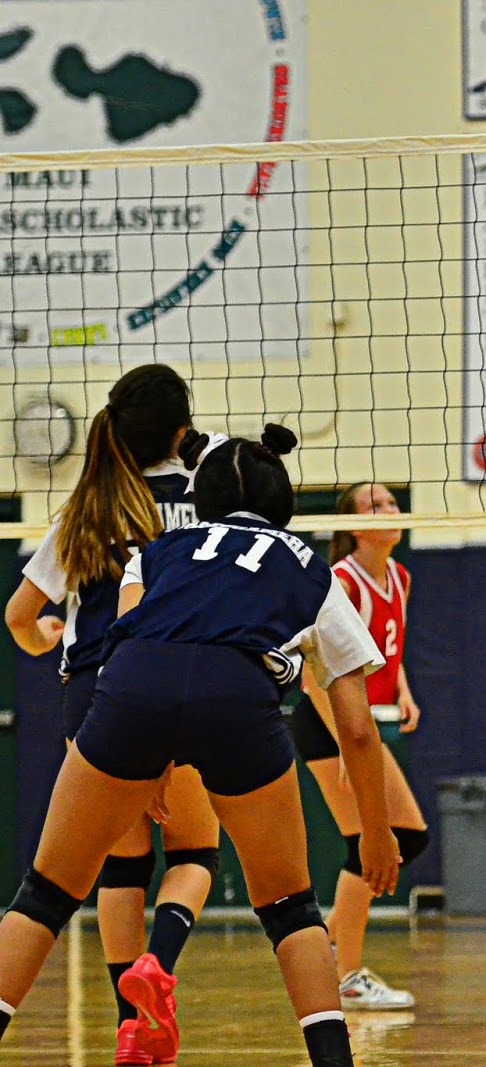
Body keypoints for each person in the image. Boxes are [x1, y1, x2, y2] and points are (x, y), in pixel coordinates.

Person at [0, 426, 401, 1067]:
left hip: (130, 691)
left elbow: (123, 644)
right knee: (291, 908)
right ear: (285, 501)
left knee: (46, 893)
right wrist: (376, 834)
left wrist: (147, 757)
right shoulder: (309, 568)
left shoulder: (158, 552)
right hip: (238, 700)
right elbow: (356, 726)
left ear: (202, 500)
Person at [4, 364, 226, 1065]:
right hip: (178, 680)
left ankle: (132, 1026)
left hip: (92, 694)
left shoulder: (89, 504)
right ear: (180, 432)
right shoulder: (210, 492)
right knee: (194, 853)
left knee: (120, 867)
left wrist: (43, 638)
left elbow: (18, 615)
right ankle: (157, 968)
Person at [292, 483, 429, 1010]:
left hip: (363, 725)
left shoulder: (400, 575)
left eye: (393, 503)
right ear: (352, 527)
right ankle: (342, 970)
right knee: (382, 840)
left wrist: (403, 690)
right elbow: (311, 677)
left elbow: (387, 643)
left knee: (401, 840)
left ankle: (330, 949)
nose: (390, 511)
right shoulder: (342, 582)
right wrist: (349, 747)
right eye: (376, 506)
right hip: (329, 723)